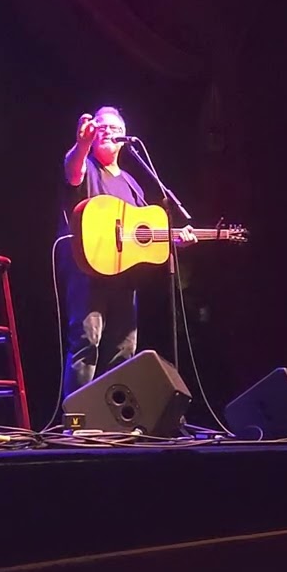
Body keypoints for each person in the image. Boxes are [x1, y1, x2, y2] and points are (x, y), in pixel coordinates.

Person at [59, 106, 195, 398]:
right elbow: (73, 172)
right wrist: (82, 144)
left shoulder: (131, 184)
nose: (107, 132)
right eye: (101, 127)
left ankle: (110, 420)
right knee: (86, 344)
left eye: (114, 128)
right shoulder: (86, 165)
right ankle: (77, 422)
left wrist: (173, 238)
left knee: (124, 349)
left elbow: (142, 233)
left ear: (124, 136)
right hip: (88, 273)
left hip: (124, 277)